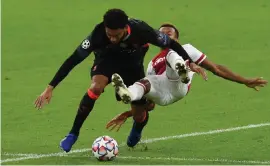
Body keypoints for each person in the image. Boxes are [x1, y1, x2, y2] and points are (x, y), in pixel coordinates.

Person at [33, 9, 198, 153]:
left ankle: (137, 127)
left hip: (132, 67)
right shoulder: (97, 35)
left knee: (139, 113)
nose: (112, 39)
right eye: (109, 34)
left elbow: (170, 43)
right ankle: (73, 133)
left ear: (125, 28)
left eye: (116, 35)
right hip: (106, 62)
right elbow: (73, 59)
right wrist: (50, 87)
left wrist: (188, 60)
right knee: (95, 88)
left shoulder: (141, 30)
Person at [106, 23, 268, 147]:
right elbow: (150, 105)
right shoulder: (152, 64)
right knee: (142, 84)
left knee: (171, 53)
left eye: (169, 32)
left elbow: (217, 69)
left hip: (179, 87)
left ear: (177, 36)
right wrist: (129, 114)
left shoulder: (187, 49)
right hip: (164, 93)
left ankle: (183, 69)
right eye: (161, 32)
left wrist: (244, 80)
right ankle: (128, 93)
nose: (164, 33)